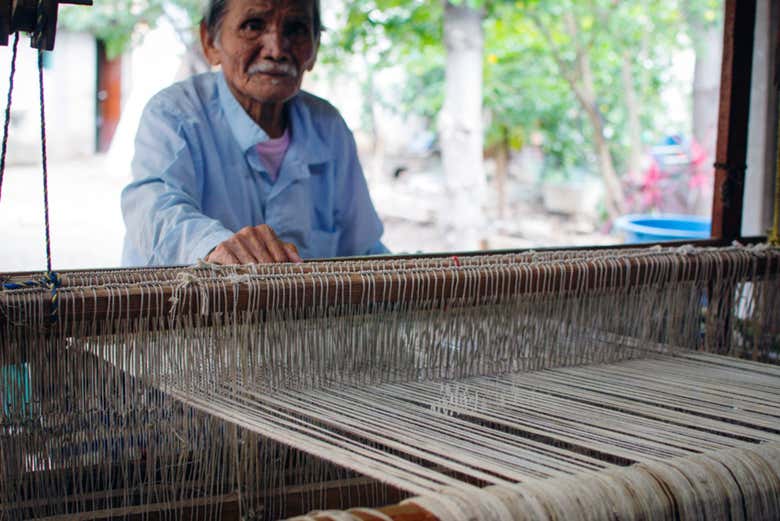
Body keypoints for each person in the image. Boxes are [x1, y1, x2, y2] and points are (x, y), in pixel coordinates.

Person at [121, 0, 388, 266]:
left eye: (295, 29)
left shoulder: (328, 127)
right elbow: (154, 210)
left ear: (315, 46)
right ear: (210, 42)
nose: (276, 50)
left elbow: (363, 249)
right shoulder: (174, 114)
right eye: (253, 26)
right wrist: (214, 245)